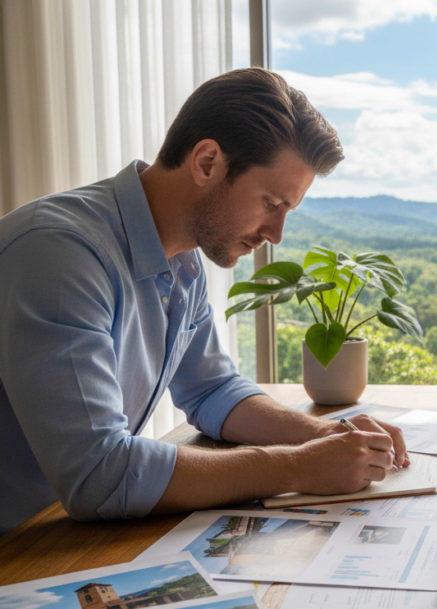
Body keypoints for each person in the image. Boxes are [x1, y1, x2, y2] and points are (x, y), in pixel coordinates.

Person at [0, 68, 408, 535]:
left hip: (64, 539)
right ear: (207, 162)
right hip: (16, 558)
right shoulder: (58, 254)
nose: (275, 235)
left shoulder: (182, 261)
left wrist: (324, 434)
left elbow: (212, 390)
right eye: (271, 203)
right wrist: (297, 467)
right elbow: (100, 474)